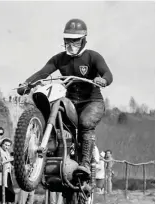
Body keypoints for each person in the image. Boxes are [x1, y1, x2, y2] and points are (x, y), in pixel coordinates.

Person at [17, 18, 113, 177]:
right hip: (71, 101)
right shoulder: (59, 58)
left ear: (84, 40)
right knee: (54, 110)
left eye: (75, 41)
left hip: (92, 102)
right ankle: (52, 142)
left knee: (86, 123)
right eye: (68, 40)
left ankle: (85, 164)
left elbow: (107, 73)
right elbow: (43, 73)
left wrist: (103, 80)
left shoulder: (93, 56)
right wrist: (27, 84)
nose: (71, 44)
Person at [0, 138, 15, 204]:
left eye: (8, 145)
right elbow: (0, 162)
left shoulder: (7, 152)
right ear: (2, 144)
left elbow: (8, 163)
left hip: (7, 173)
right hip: (1, 173)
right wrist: (9, 160)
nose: (7, 147)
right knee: (1, 188)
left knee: (9, 190)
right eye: (5, 145)